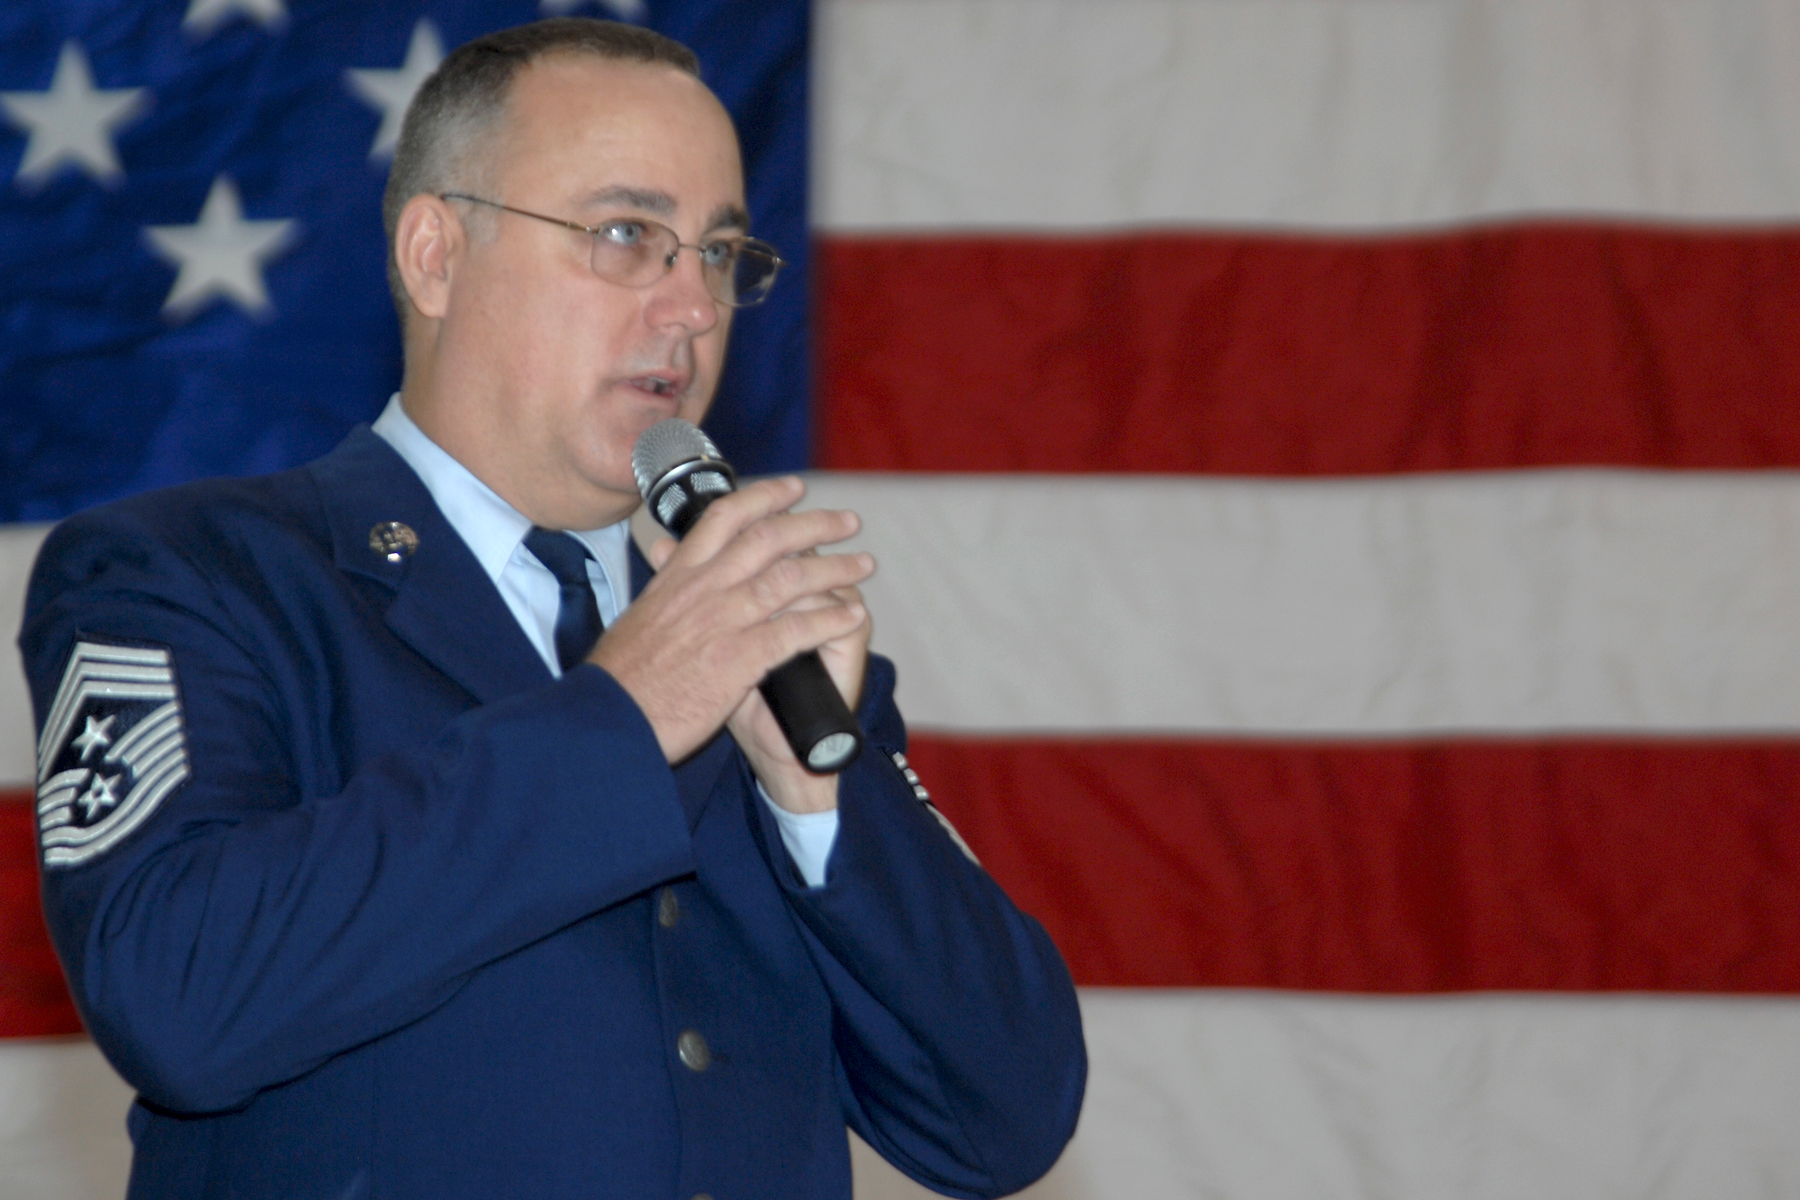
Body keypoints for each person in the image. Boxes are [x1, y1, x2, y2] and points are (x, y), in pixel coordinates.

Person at [18, 18, 1085, 1200]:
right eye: (628, 236)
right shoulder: (188, 574)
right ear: (436, 254)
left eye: (719, 251)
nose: (694, 307)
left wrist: (818, 806)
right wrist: (627, 714)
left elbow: (1005, 1119)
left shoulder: (757, 642)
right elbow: (176, 995)